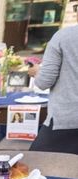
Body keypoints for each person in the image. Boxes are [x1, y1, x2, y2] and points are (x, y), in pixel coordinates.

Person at [29, 25, 78, 154]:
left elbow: (44, 82)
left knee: (37, 166)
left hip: (66, 119)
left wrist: (36, 72)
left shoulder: (63, 36)